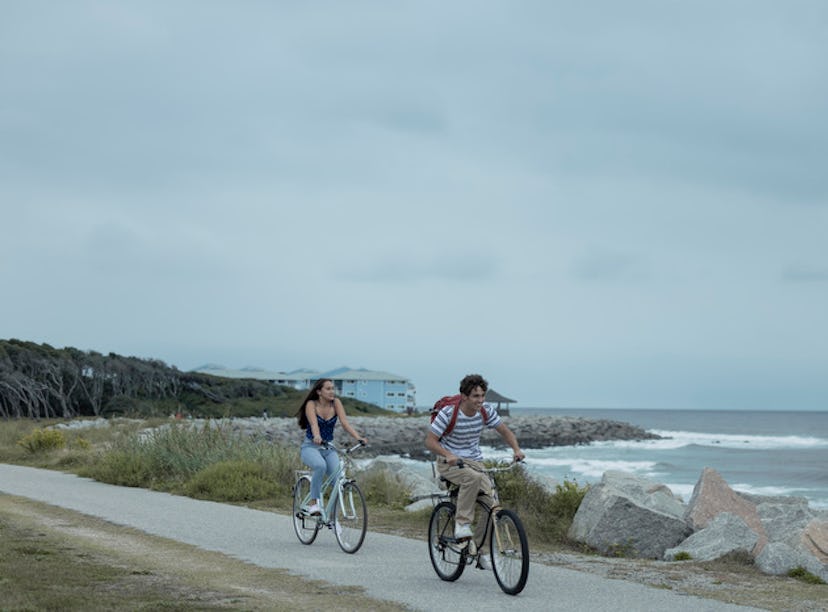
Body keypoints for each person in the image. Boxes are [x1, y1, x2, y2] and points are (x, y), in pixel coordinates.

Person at [425, 374, 525, 569]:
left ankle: (482, 551)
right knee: (473, 478)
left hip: (475, 462)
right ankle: (462, 524)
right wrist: (448, 454)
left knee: (492, 506)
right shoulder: (448, 413)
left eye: (482, 396)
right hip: (449, 461)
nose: (480, 400)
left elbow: (505, 431)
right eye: (475, 396)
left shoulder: (485, 410)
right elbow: (430, 441)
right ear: (464, 396)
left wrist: (516, 450)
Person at [296, 378, 367, 515]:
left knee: (338, 481)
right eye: (328, 389)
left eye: (333, 388)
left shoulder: (336, 403)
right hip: (311, 447)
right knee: (320, 466)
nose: (332, 391)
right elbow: (314, 424)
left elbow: (345, 423)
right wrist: (317, 436)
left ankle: (332, 519)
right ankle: (313, 503)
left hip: (328, 448)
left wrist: (358, 438)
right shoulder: (311, 404)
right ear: (319, 392)